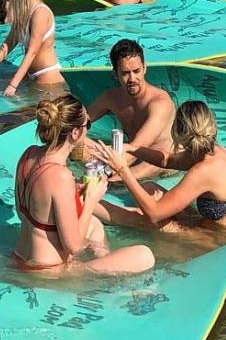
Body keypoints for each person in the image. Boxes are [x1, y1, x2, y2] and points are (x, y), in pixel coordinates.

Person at [8, 95, 154, 275]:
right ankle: (103, 273)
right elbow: (74, 247)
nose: (87, 131)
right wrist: (91, 198)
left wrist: (73, 192)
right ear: (75, 133)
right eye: (88, 125)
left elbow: (23, 212)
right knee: (144, 255)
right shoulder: (61, 176)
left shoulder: (28, 155)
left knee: (93, 224)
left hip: (20, 257)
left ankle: (104, 261)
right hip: (49, 271)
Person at [90, 100, 226, 235]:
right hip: (220, 226)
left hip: (223, 239)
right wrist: (131, 148)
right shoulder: (215, 150)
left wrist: (122, 170)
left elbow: (154, 214)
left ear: (176, 132)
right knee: (151, 188)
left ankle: (87, 203)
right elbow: (167, 160)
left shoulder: (203, 171)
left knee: (148, 221)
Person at [85, 40, 175, 180]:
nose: (132, 78)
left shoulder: (160, 103)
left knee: (117, 179)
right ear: (115, 74)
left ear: (145, 68)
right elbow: (79, 122)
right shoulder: (111, 97)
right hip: (127, 155)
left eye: (137, 71)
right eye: (125, 73)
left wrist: (106, 170)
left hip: (158, 161)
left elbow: (139, 146)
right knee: (73, 139)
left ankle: (107, 179)